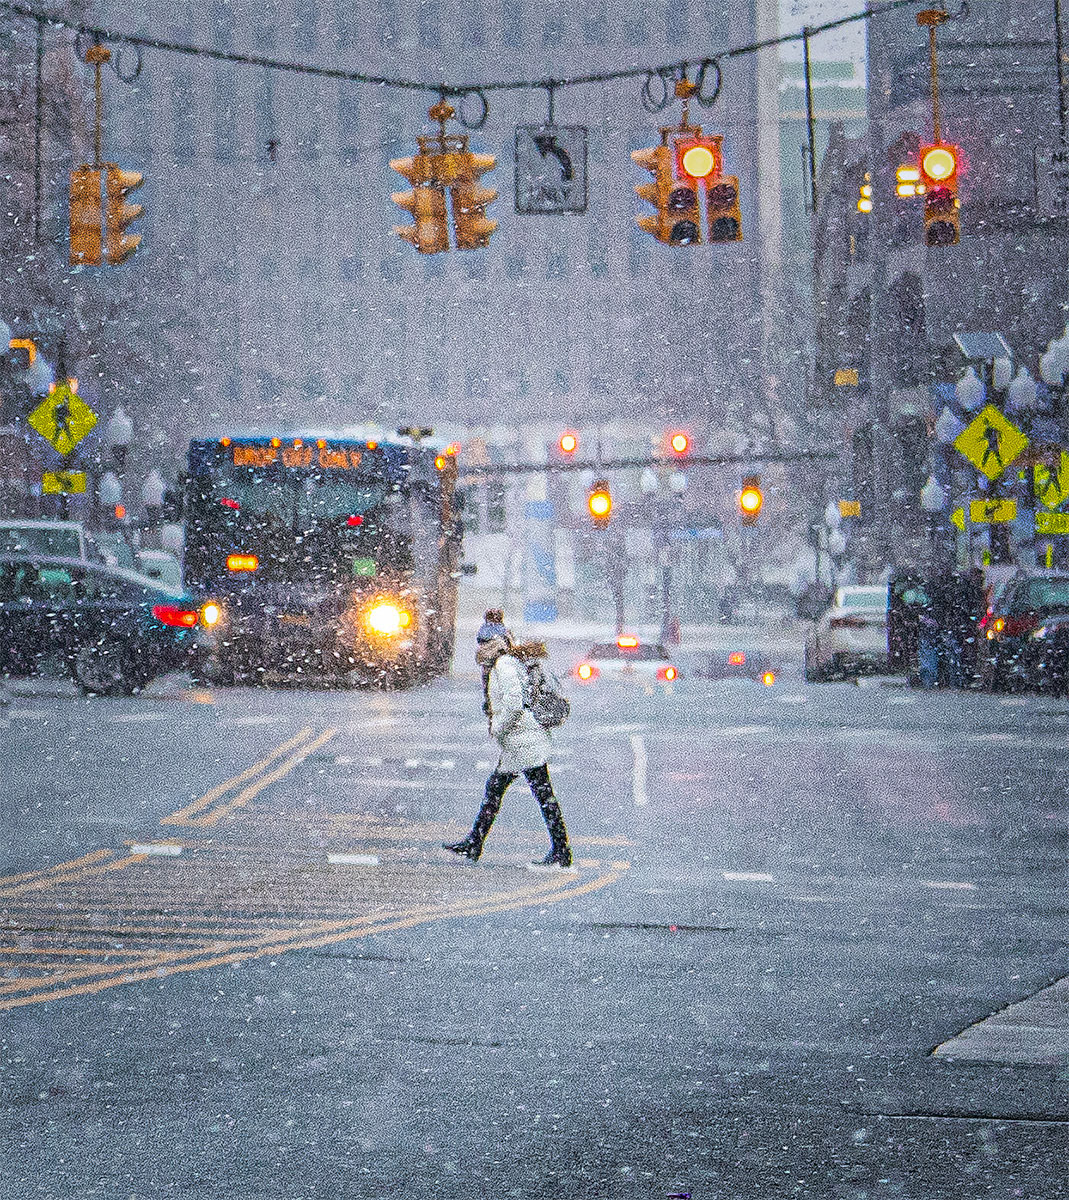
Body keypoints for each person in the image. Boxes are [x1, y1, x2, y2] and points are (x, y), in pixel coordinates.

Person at [444, 630, 574, 870]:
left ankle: (560, 850)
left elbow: (514, 703)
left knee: (535, 794)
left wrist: (498, 728)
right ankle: (476, 842)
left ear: (494, 645)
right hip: (520, 742)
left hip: (524, 742)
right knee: (516, 791)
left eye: (484, 643)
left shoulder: (503, 665)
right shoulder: (503, 663)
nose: (480, 647)